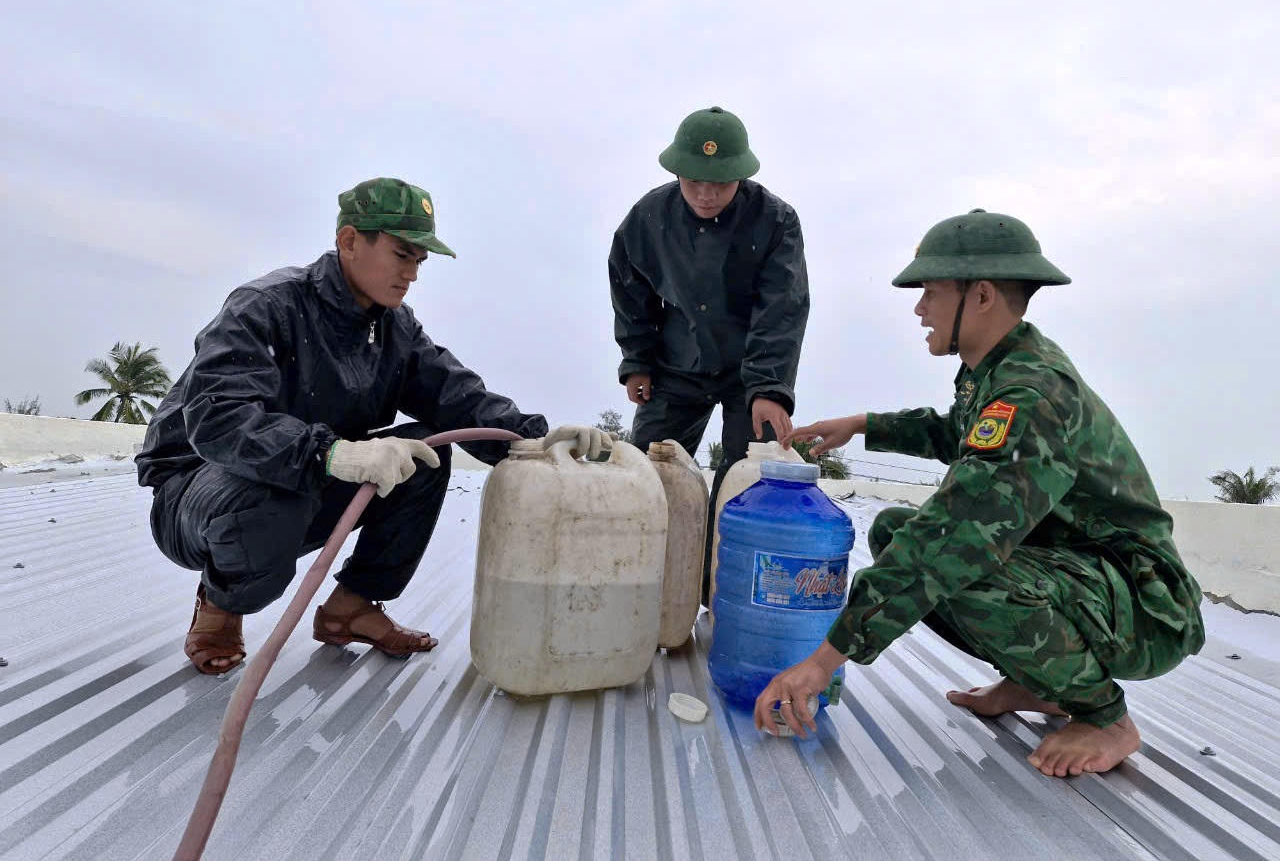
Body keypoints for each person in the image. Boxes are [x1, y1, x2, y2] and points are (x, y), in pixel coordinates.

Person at [754, 209, 1204, 778]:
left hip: (1145, 604)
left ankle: (1105, 717)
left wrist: (822, 663)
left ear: (982, 295)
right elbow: (957, 430)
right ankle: (1040, 683)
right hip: (1086, 576)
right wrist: (863, 423)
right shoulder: (998, 368)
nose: (919, 309)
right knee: (894, 530)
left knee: (958, 561)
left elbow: (954, 534)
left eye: (931, 293)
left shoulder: (1032, 392)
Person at [136, 177, 609, 674]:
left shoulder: (392, 327)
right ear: (348, 241)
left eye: (419, 262)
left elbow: (456, 397)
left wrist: (538, 439)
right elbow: (218, 418)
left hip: (305, 482)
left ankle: (352, 608)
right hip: (199, 494)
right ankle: (220, 606)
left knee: (425, 454)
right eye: (402, 255)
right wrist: (330, 454)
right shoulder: (268, 305)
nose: (412, 276)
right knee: (274, 493)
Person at [609, 106, 809, 599]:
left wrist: (769, 388)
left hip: (750, 371)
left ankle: (720, 593)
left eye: (720, 182)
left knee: (744, 482)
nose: (706, 193)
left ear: (741, 174)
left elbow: (782, 306)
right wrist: (637, 359)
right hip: (678, 365)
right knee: (648, 472)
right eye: (695, 180)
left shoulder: (777, 220)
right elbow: (629, 289)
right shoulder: (646, 218)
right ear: (676, 170)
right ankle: (642, 588)